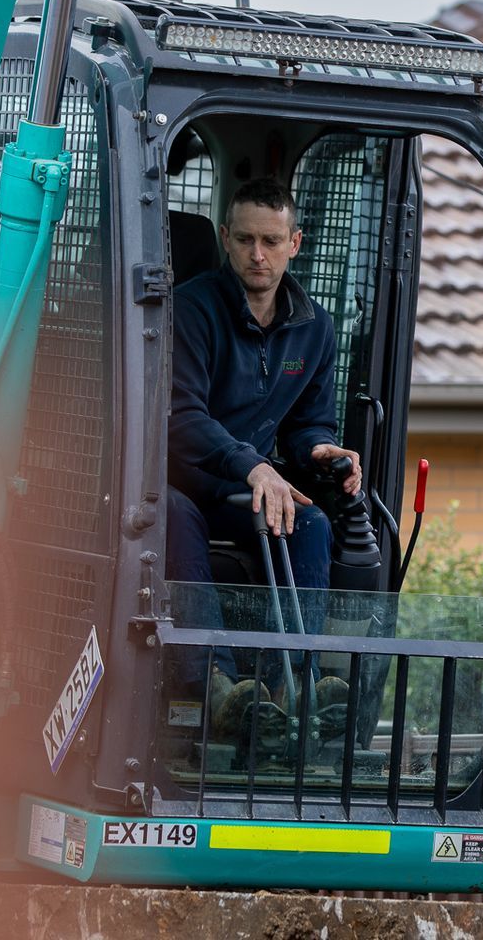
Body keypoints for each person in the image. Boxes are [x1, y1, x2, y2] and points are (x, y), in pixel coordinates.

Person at [164, 175, 360, 734]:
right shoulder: (190, 310)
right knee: (173, 516)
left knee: (313, 524)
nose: (258, 254)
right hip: (185, 478)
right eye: (245, 239)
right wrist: (254, 465)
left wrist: (321, 449)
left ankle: (289, 687)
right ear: (225, 237)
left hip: (245, 484)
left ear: (294, 243)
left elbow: (308, 422)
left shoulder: (316, 328)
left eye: (271, 241)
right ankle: (216, 686)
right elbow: (183, 418)